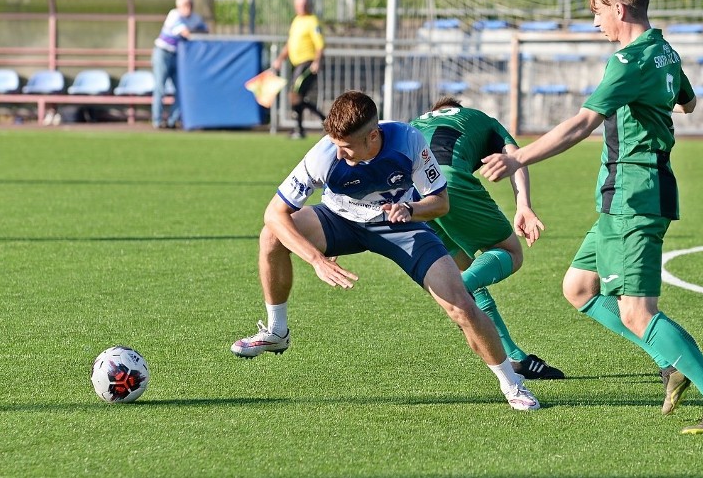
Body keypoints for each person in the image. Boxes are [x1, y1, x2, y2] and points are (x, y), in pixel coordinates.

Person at [479, 0, 703, 434]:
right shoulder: (664, 51)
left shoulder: (630, 61)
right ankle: (672, 361)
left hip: (634, 195)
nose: (595, 23)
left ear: (620, 8)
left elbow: (582, 124)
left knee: (636, 310)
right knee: (579, 288)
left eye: (598, 12)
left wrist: (518, 158)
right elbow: (688, 101)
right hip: (624, 196)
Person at [231, 90, 540, 411]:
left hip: (399, 224)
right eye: (336, 145)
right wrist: (316, 258)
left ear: (373, 135)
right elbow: (274, 213)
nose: (339, 155)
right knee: (271, 236)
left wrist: (411, 210)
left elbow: (440, 203)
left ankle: (512, 384)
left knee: (461, 305)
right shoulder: (324, 153)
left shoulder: (408, 140)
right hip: (340, 220)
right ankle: (276, 331)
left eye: (347, 147)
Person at [410, 96, 564, 380]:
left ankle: (516, 359)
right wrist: (524, 206)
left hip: (412, 196)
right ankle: (455, 290)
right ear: (458, 108)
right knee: (510, 253)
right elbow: (514, 158)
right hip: (450, 182)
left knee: (464, 268)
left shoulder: (414, 124)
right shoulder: (479, 119)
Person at [271, 0, 327, 139]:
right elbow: (290, 44)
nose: (301, 7)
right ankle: (320, 122)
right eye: (299, 5)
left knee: (294, 95)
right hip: (296, 64)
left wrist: (317, 61)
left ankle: (302, 128)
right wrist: (279, 59)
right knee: (297, 96)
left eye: (303, 4)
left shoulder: (312, 21)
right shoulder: (296, 21)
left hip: (307, 63)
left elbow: (320, 44)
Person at [151, 0, 208, 129]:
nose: (187, 8)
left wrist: (194, 31)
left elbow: (206, 31)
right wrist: (193, 31)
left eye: (189, 5)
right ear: (179, 6)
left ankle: (173, 120)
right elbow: (186, 34)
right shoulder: (174, 15)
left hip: (179, 56)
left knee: (181, 88)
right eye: (184, 5)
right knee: (160, 87)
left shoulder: (194, 18)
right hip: (163, 53)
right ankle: (157, 120)